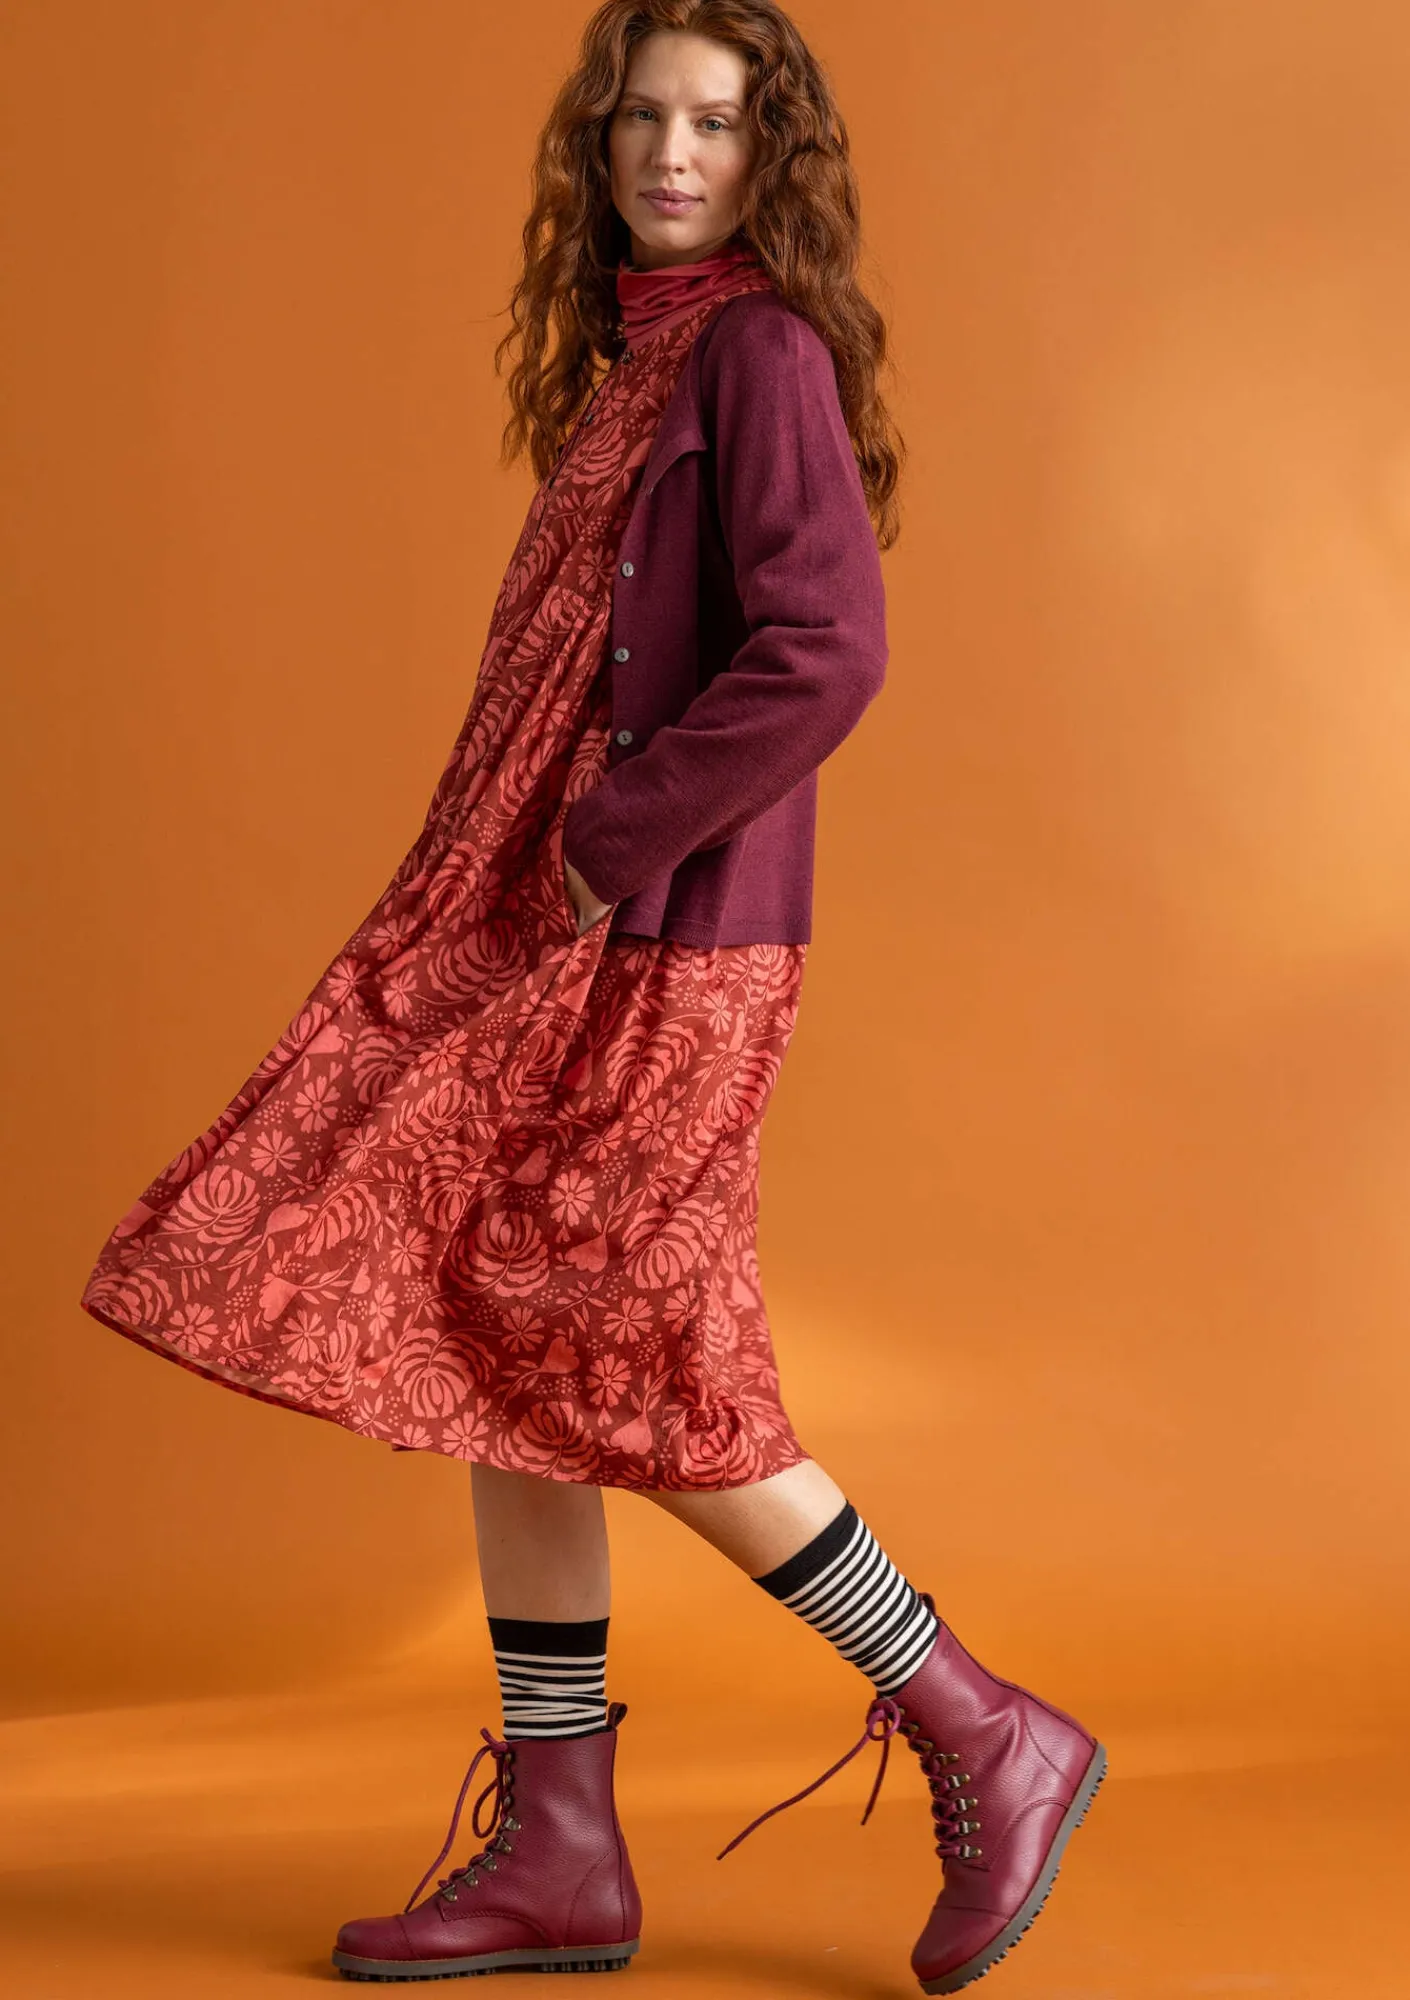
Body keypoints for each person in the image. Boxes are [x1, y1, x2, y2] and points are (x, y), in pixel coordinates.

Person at [78, 4, 1106, 1991]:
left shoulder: (759, 353)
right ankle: (561, 1841)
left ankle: (979, 1718)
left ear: (769, 156)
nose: (670, 153)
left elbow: (826, 646)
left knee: (622, 1345)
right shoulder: (643, 360)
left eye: (715, 122)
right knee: (496, 1320)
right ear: (598, 143)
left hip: (669, 940)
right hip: (573, 932)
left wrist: (604, 840)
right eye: (641, 117)